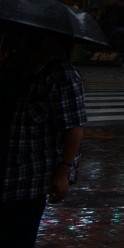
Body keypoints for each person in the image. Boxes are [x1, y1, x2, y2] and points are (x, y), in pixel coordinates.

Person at [0, 28, 87, 248]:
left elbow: (74, 128)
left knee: (17, 238)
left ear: (55, 39)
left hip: (28, 178)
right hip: (5, 167)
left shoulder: (63, 76)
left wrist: (64, 173)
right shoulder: (14, 65)